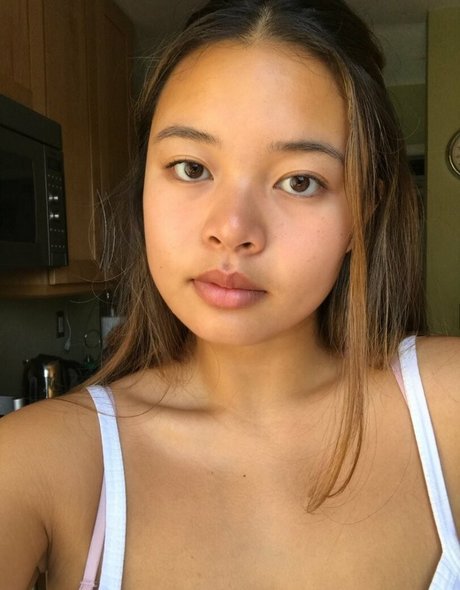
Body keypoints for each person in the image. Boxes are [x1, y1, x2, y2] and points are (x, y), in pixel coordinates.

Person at [1, 0, 459, 588]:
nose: (233, 229)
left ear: (361, 214)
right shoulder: (41, 460)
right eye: (191, 168)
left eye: (300, 181)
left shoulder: (445, 410)